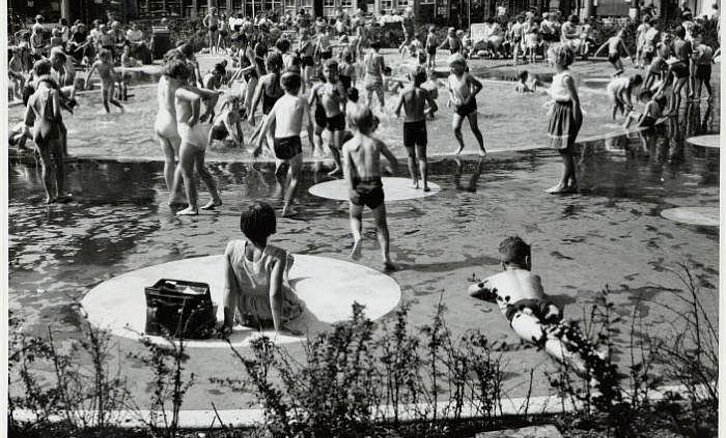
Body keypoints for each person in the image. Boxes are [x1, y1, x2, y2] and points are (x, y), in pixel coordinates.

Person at [468, 236, 607, 378]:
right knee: (561, 327)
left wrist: (490, 290)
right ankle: (593, 352)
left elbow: (472, 290)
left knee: (543, 337)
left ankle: (572, 358)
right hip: (544, 305)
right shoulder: (534, 276)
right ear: (527, 260)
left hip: (518, 310)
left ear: (502, 264)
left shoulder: (495, 279)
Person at [221, 202, 304, 336]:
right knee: (289, 291)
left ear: (243, 226)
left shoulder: (231, 248)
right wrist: (279, 328)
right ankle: (285, 271)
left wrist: (227, 324)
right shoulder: (278, 254)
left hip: (245, 315)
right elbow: (275, 294)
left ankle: (285, 271)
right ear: (272, 227)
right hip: (268, 316)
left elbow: (230, 289)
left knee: (278, 281)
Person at [343, 105, 398, 271]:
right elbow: (393, 161)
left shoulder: (348, 146)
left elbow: (347, 168)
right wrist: (391, 172)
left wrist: (350, 189)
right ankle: (385, 257)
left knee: (355, 217)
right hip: (374, 185)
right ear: (371, 123)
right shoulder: (376, 143)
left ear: (353, 123)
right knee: (381, 224)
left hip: (358, 185)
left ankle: (357, 237)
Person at [253, 70, 314, 217]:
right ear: (299, 86)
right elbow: (309, 124)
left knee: (289, 169)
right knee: (296, 176)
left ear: (282, 86)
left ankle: (283, 176)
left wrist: (259, 144)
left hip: (278, 142)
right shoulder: (301, 100)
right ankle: (287, 208)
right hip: (292, 141)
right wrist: (312, 141)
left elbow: (266, 122)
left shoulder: (279, 102)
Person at [169, 64, 223, 216]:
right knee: (200, 168)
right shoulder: (191, 87)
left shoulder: (180, 90)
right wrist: (208, 112)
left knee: (186, 172)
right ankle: (215, 198)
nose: (169, 81)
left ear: (176, 77)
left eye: (170, 78)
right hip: (200, 134)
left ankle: (192, 207)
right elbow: (215, 94)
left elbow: (196, 99)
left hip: (190, 135)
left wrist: (194, 116)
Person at [23, 59, 71, 203]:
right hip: (50, 127)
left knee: (46, 165)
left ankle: (50, 197)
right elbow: (57, 114)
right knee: (59, 162)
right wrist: (59, 128)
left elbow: (28, 121)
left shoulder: (32, 97)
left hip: (37, 131)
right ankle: (60, 193)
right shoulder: (52, 92)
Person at [394, 67, 438, 191]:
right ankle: (425, 184)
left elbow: (396, 111)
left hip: (408, 124)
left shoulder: (404, 92)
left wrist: (400, 115)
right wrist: (424, 112)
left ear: (411, 77)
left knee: (411, 155)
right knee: (422, 157)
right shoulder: (423, 92)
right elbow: (435, 107)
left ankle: (415, 182)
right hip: (420, 123)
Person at [546, 44, 582, 194]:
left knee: (565, 149)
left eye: (550, 57)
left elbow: (575, 101)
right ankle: (572, 181)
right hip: (559, 111)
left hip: (567, 113)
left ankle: (563, 184)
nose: (548, 59)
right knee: (564, 149)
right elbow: (558, 94)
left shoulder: (566, 78)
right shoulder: (559, 76)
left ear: (559, 59)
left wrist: (575, 122)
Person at [310, 60, 348, 176]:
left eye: (332, 72)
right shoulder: (322, 86)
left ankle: (354, 157)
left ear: (336, 72)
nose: (329, 74)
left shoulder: (338, 85)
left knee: (338, 145)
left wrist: (333, 96)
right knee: (331, 145)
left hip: (338, 118)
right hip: (329, 119)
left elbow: (344, 99)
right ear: (323, 72)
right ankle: (339, 166)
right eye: (326, 71)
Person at [446, 55, 486, 155]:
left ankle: (482, 148)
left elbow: (479, 86)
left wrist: (470, 96)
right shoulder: (450, 78)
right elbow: (450, 90)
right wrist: (452, 100)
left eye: (454, 66)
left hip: (470, 105)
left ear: (461, 66)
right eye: (450, 66)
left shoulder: (467, 76)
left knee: (474, 128)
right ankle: (461, 145)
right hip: (458, 106)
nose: (452, 68)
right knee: (455, 128)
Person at [659, 26, 691, 114]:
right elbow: (690, 54)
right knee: (676, 91)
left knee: (675, 90)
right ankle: (673, 110)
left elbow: (671, 54)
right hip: (683, 68)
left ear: (676, 34)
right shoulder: (687, 43)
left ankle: (673, 110)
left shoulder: (673, 43)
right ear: (684, 33)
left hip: (677, 68)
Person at [84, 48, 124, 113]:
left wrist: (119, 81)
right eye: (104, 58)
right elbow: (90, 73)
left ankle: (121, 107)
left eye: (106, 58)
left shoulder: (109, 64)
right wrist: (86, 82)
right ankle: (108, 113)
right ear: (100, 57)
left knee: (110, 99)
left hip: (110, 81)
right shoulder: (96, 64)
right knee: (104, 101)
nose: (105, 59)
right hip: (103, 82)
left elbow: (114, 73)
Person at [363, 42, 386, 110]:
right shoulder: (380, 56)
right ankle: (382, 113)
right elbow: (383, 69)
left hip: (367, 79)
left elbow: (364, 68)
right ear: (378, 48)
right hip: (376, 79)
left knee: (368, 101)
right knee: (381, 101)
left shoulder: (365, 56)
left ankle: (366, 114)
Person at [691, 35, 714, 101]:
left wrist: (697, 60)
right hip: (708, 66)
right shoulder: (709, 48)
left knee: (699, 82)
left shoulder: (699, 47)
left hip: (701, 66)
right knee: (707, 82)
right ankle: (710, 96)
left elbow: (701, 53)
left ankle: (698, 97)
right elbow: (711, 58)